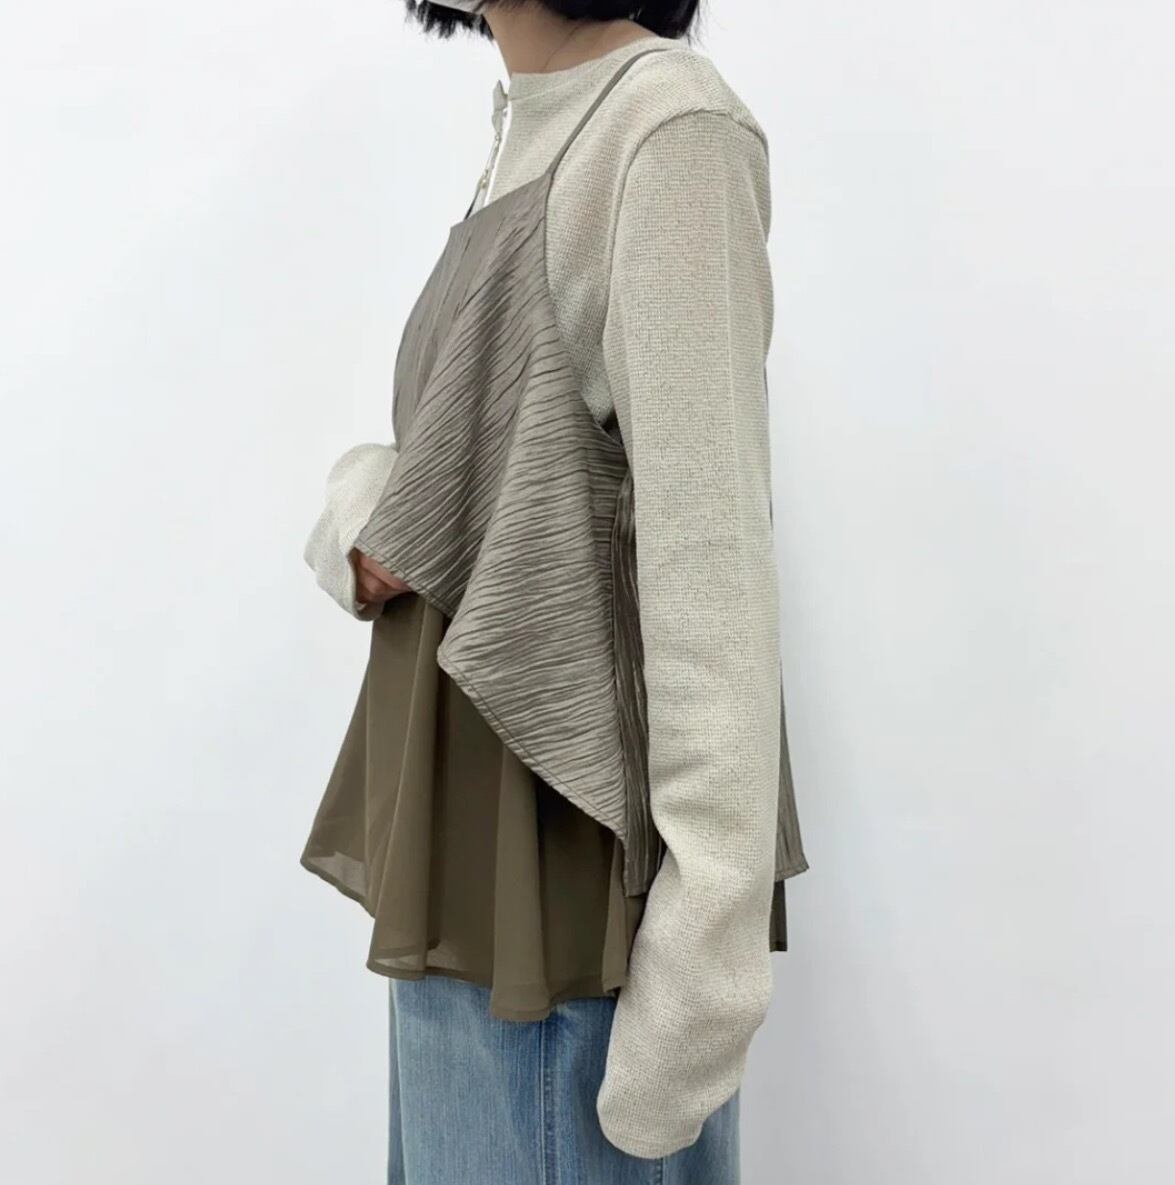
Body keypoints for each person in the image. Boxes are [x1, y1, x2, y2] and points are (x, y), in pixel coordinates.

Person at [301, 2, 809, 1181]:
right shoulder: (532, 122)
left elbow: (711, 571)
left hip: (561, 909)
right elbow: (498, 463)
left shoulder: (666, 131)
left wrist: (698, 988)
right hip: (464, 883)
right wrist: (368, 511)